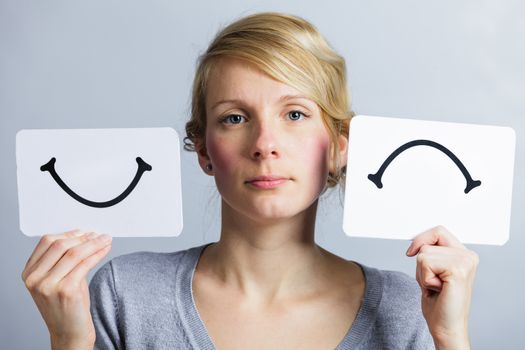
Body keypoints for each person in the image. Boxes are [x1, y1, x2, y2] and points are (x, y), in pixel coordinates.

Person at [21, 12, 479, 350]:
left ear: (340, 146)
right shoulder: (126, 293)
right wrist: (69, 341)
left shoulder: (407, 309)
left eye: (295, 114)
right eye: (235, 118)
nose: (265, 144)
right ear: (203, 150)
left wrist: (450, 337)